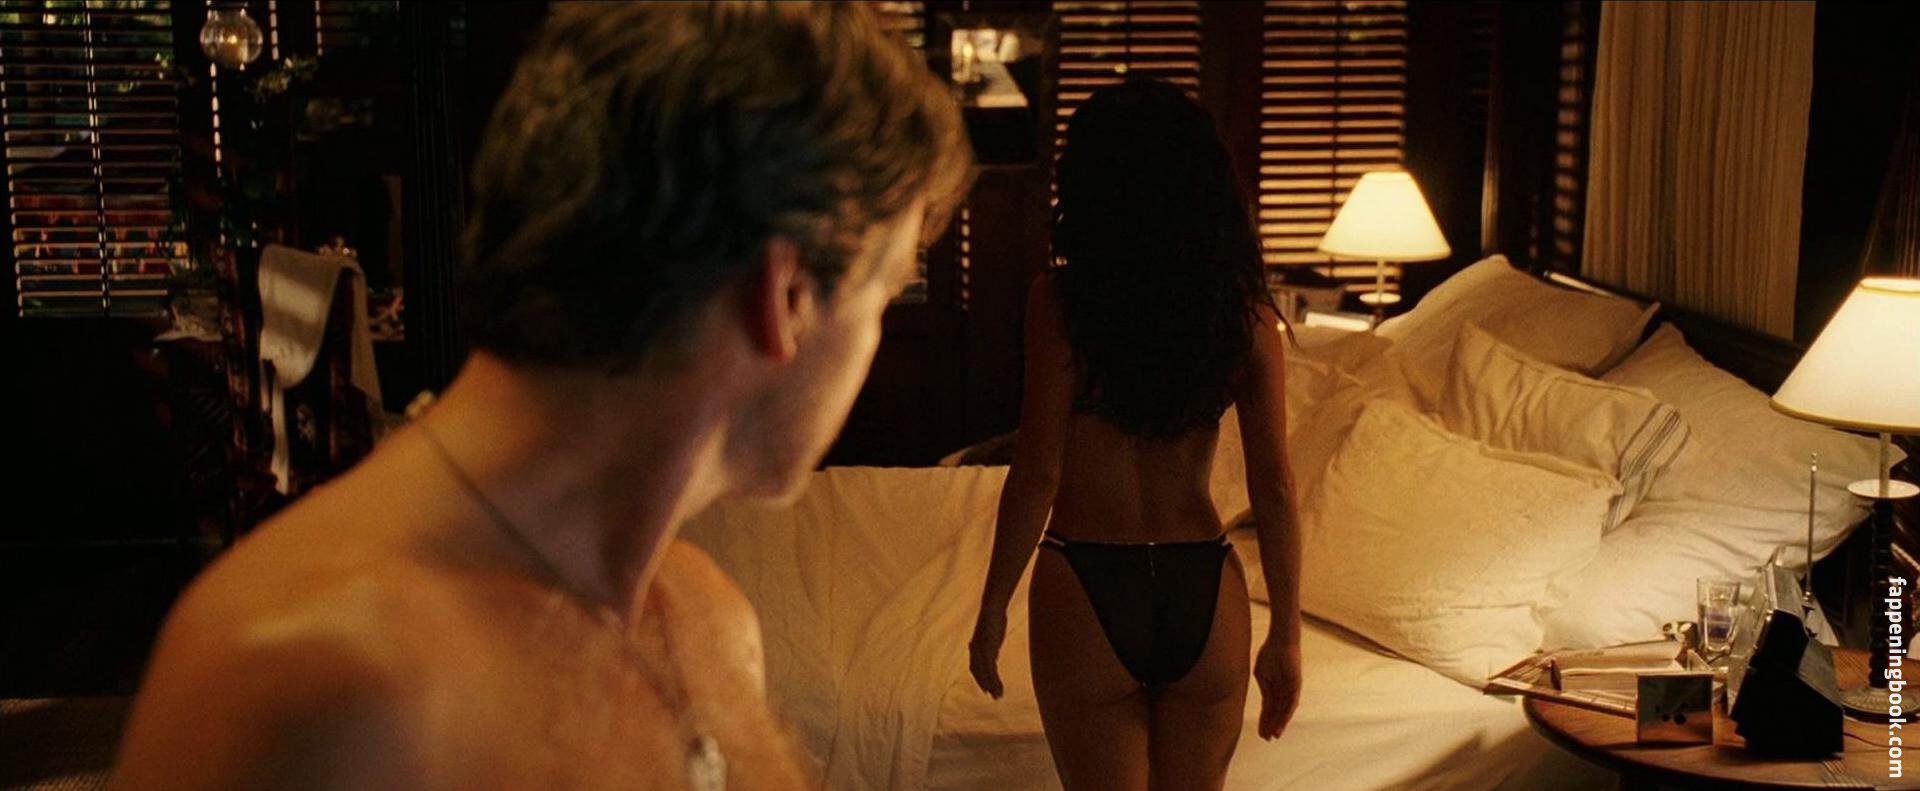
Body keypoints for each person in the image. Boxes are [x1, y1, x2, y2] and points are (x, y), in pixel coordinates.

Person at [112, 3, 969, 789]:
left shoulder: (710, 620)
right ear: (786, 298)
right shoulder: (317, 685)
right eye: (885, 293)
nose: (874, 340)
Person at [967, 78, 1302, 791]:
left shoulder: (1060, 304)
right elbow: (1275, 488)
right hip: (1202, 582)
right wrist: (1287, 632)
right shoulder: (1247, 318)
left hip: (1087, 576)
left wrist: (994, 606)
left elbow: (1037, 472)